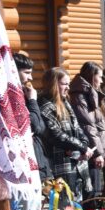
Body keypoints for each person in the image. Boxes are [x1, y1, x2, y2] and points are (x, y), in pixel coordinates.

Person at [38, 68, 93, 198]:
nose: (68, 87)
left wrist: (84, 144)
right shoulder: (45, 107)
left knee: (79, 208)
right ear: (53, 84)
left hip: (78, 164)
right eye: (64, 84)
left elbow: (77, 128)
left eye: (69, 84)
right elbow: (57, 136)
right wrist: (82, 147)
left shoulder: (65, 102)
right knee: (67, 209)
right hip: (61, 166)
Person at [69, 61, 105, 199]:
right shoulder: (80, 95)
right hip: (90, 153)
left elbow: (103, 126)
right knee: (91, 193)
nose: (101, 81)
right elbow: (88, 125)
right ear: (91, 76)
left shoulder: (94, 94)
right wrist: (98, 153)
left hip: (97, 151)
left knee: (97, 191)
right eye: (99, 77)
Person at [12, 53, 51, 182]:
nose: (30, 77)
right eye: (27, 72)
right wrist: (33, 101)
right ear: (13, 70)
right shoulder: (13, 97)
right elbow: (35, 125)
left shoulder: (24, 93)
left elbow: (40, 127)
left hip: (38, 157)